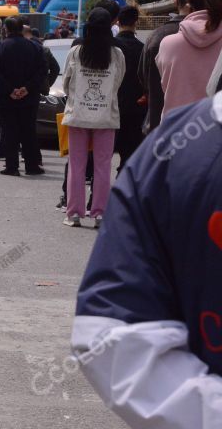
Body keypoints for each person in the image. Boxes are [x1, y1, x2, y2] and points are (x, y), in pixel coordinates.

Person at [72, 90, 222, 428]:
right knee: (102, 167)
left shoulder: (174, 150)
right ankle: (97, 208)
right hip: (115, 115)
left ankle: (75, 207)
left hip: (148, 123)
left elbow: (112, 326)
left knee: (79, 162)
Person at [60, 8, 125, 227]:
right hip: (106, 116)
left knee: (77, 165)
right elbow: (118, 83)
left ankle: (74, 213)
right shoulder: (117, 54)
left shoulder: (76, 51)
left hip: (78, 115)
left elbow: (66, 84)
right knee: (103, 166)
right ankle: (99, 214)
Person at [139, 0, 206, 132]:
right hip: (208, 131)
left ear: (176, 1)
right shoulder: (217, 37)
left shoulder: (158, 38)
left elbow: (143, 79)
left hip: (163, 129)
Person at [156, 0, 222, 118]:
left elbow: (165, 86)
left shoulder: (168, 44)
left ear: (190, 6)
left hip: (175, 131)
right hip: (214, 132)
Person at [0, 17, 46, 177]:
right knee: (29, 132)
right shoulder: (34, 46)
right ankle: (31, 166)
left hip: (7, 98)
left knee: (10, 132)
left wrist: (10, 90)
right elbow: (42, 70)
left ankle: (12, 166)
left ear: (6, 29)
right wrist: (27, 88)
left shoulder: (1, 47)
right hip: (29, 98)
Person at [113, 5, 145, 171]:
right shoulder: (143, 48)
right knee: (130, 153)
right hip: (136, 107)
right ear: (136, 23)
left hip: (112, 106)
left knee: (105, 152)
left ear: (118, 22)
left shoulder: (112, 47)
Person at [24, 25, 60, 96]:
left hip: (26, 90)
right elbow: (56, 69)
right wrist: (47, 83)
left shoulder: (24, 49)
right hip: (41, 89)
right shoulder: (45, 50)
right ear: (39, 36)